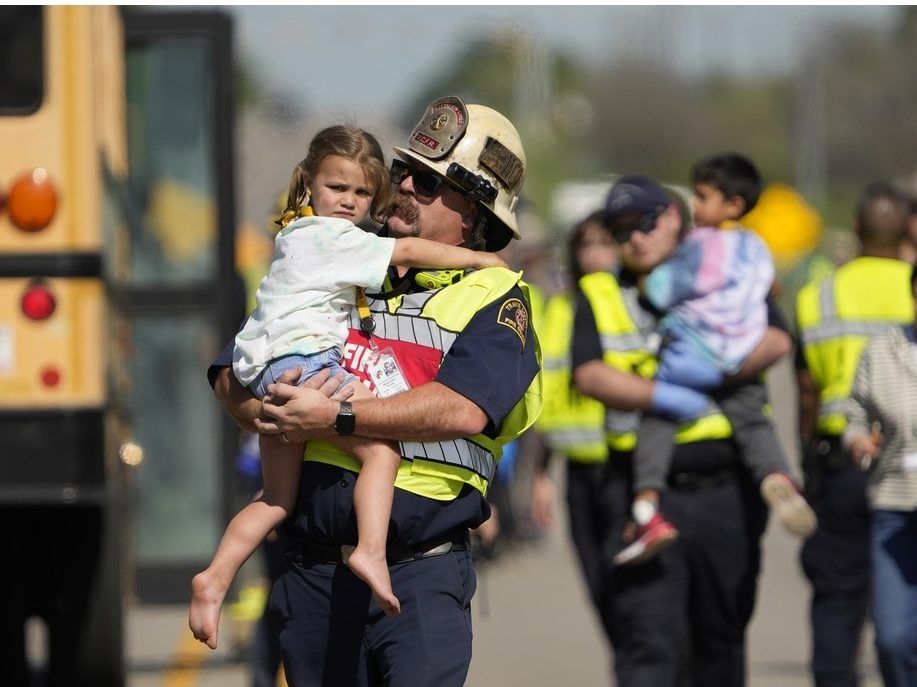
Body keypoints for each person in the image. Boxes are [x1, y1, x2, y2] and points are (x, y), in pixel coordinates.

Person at [208, 96, 541, 686]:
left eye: (429, 182)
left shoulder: (495, 298)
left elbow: (461, 408)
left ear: (474, 214)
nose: (404, 185)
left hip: (419, 579)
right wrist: (269, 411)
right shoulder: (347, 256)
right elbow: (232, 370)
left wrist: (334, 417)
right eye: (405, 170)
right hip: (311, 577)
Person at [572, 174, 792, 686]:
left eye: (643, 225)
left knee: (720, 641)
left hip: (726, 491)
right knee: (649, 646)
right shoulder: (601, 290)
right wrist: (664, 393)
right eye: (619, 231)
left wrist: (711, 370)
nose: (634, 239)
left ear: (672, 219)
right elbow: (589, 374)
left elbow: (778, 337)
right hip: (644, 492)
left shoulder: (721, 268)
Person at [618, 157, 816, 566]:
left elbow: (670, 288)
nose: (695, 203)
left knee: (659, 417)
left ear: (734, 204)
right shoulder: (757, 247)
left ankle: (646, 506)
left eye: (704, 196)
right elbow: (768, 288)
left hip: (693, 350)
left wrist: (650, 284)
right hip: (741, 353)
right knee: (753, 421)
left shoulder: (704, 245)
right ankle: (777, 476)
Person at [796, 181, 914, 687]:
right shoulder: (911, 283)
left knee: (838, 597)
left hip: (841, 458)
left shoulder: (819, 293)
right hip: (899, 460)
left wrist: (808, 459)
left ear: (858, 229)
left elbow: (806, 389)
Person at [530, 210, 619, 635]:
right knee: (599, 588)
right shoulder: (559, 308)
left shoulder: (628, 304)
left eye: (606, 244)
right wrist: (542, 474)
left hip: (627, 465)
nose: (596, 255)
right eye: (588, 245)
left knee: (633, 599)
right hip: (578, 471)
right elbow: (546, 391)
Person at [843, 264, 917, 687]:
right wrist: (857, 442)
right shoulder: (882, 351)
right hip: (895, 505)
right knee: (891, 637)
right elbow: (855, 416)